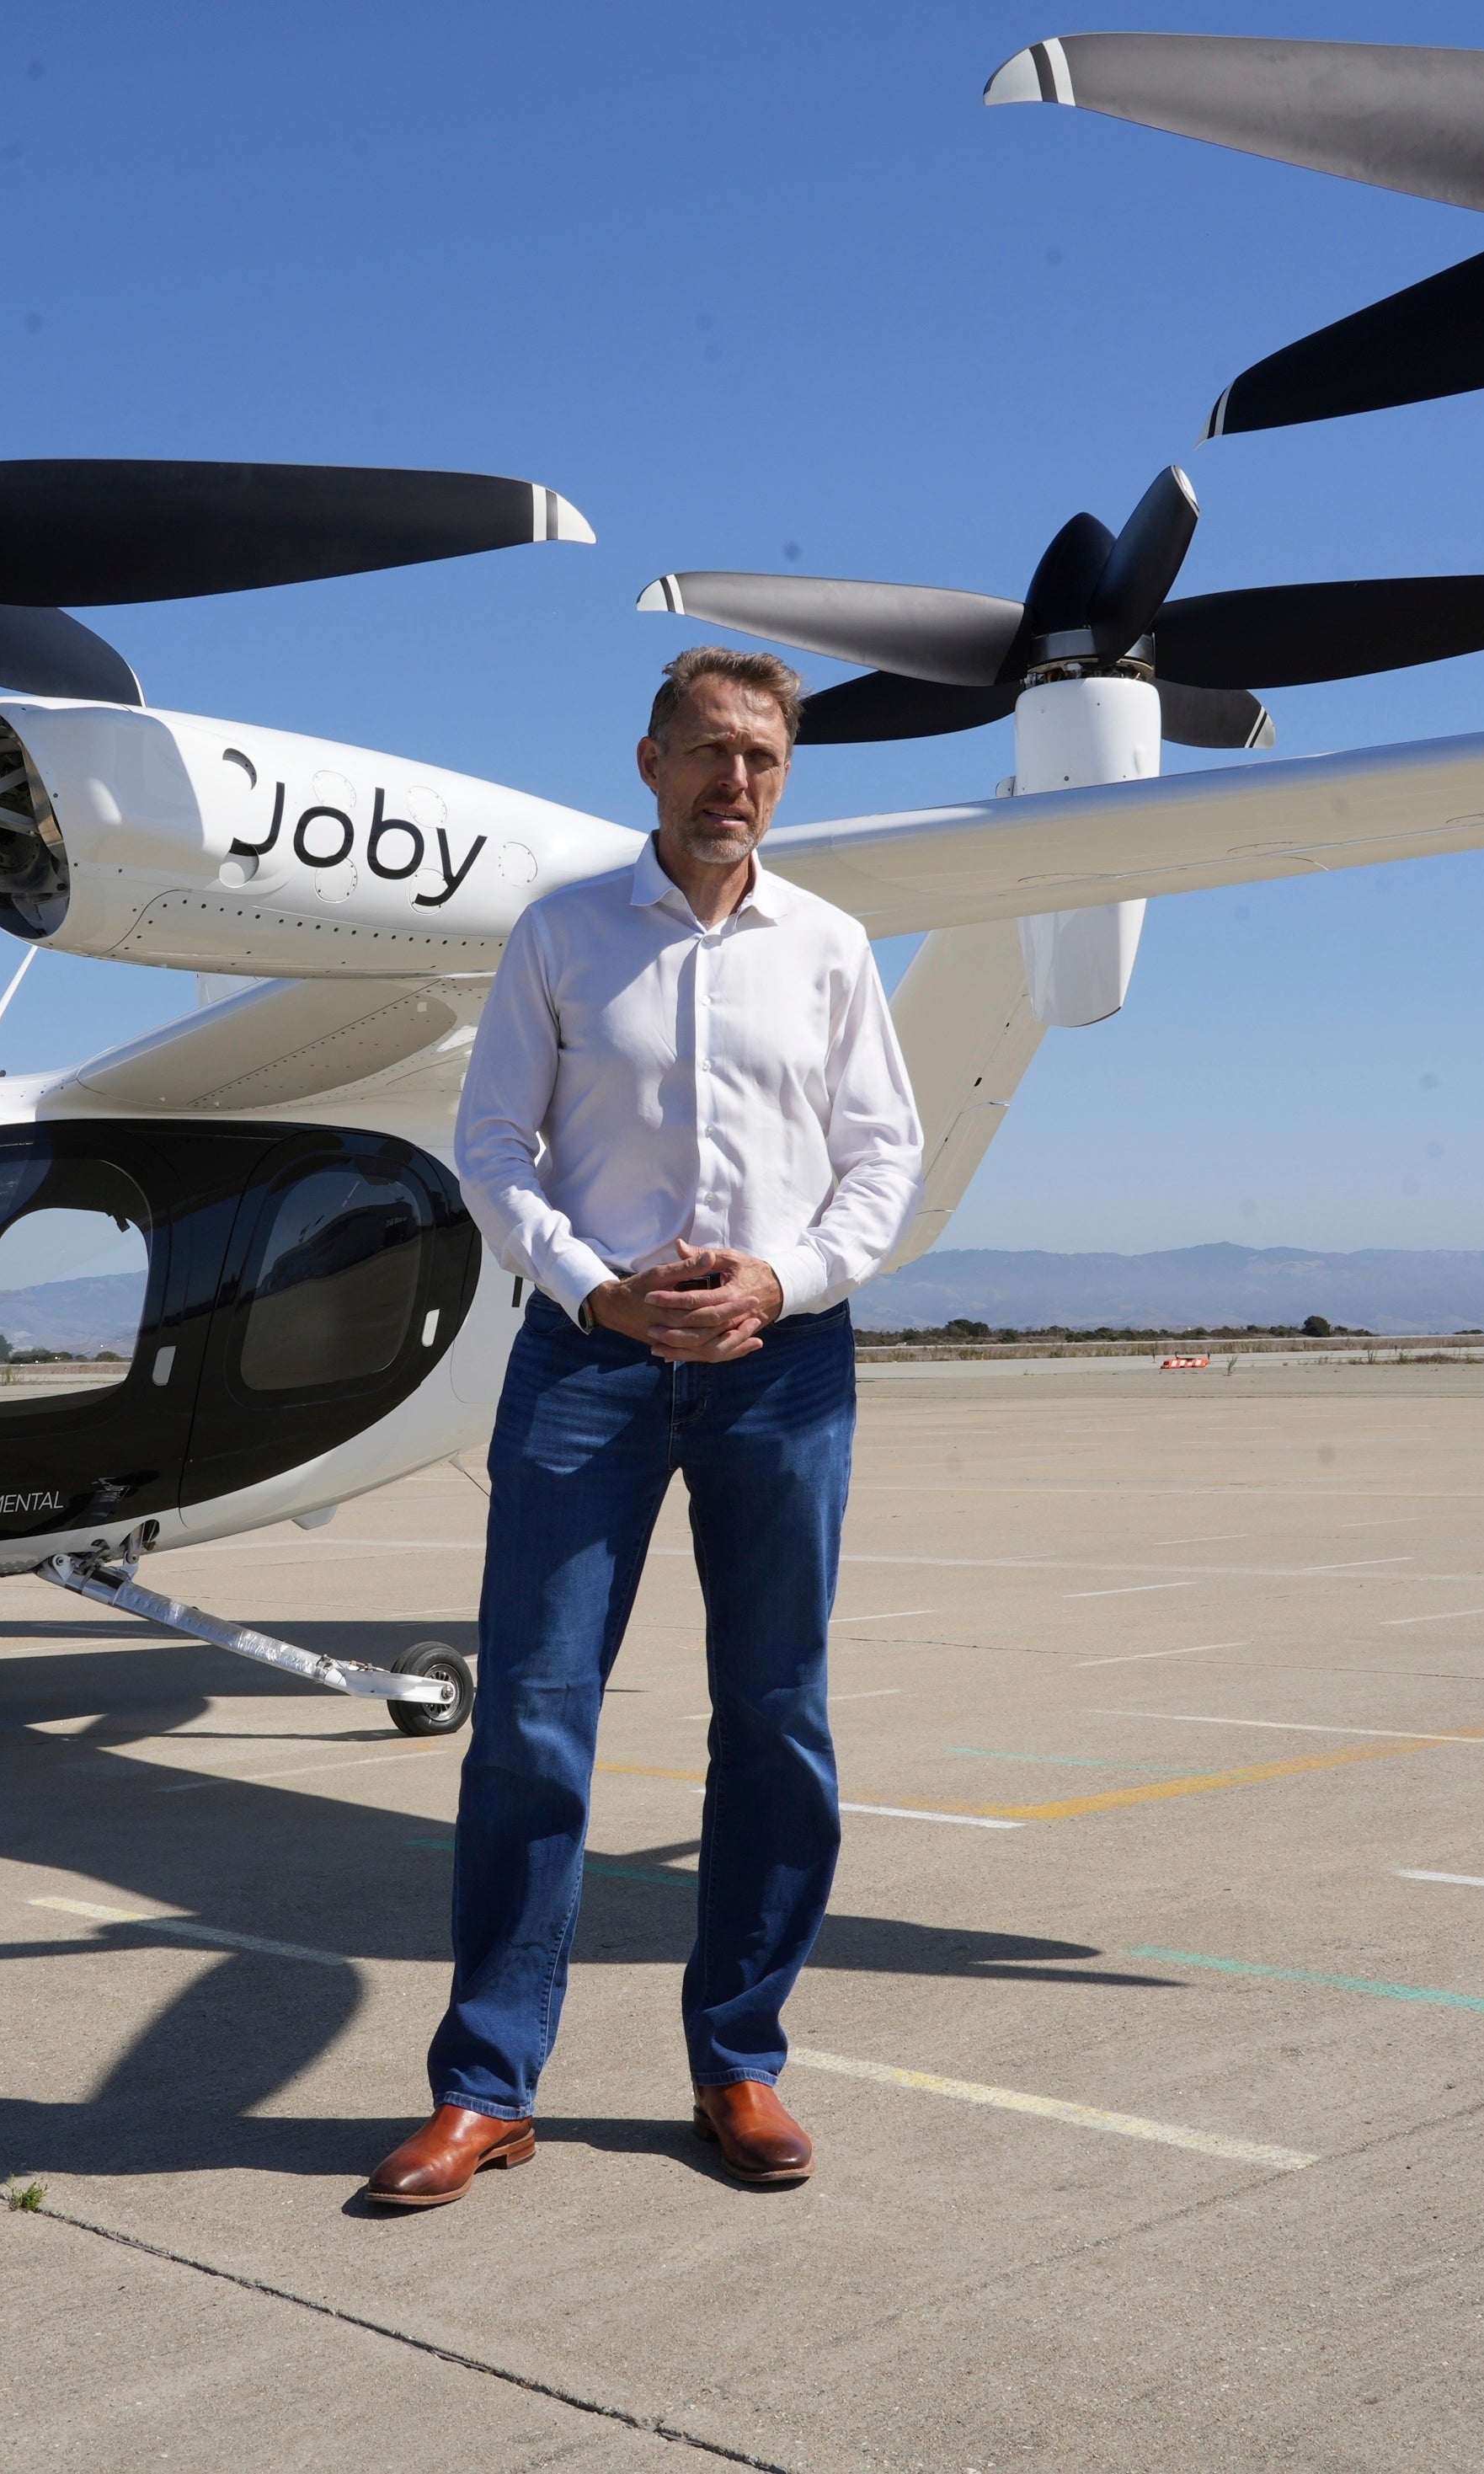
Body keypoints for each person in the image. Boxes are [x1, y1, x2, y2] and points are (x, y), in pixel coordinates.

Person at [363, 646, 923, 2207]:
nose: (733, 779)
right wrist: (600, 1293)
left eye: (761, 755)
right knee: (535, 1720)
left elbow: (882, 1160)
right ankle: (487, 2086)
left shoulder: (828, 945)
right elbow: (492, 1147)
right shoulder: (559, 934)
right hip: (586, 1366)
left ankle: (737, 2059)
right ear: (649, 763)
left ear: (783, 775)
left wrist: (781, 1276)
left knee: (773, 1715)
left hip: (781, 1362)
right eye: (706, 752)